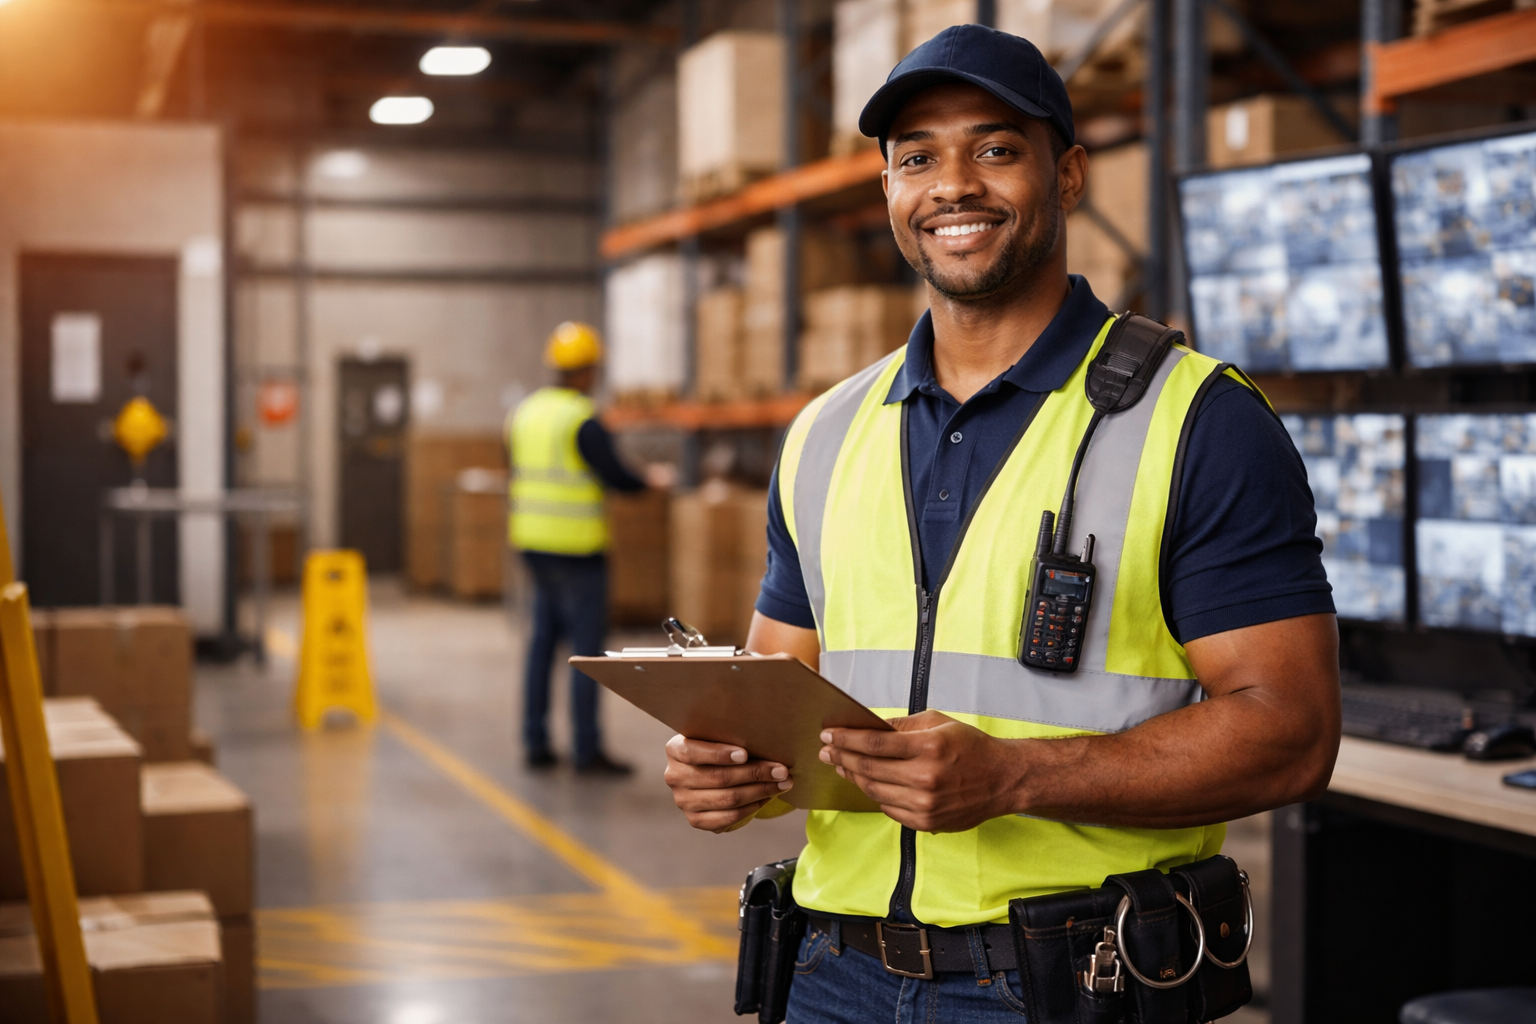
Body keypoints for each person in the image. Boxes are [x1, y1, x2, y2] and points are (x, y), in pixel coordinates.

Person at [661, 25, 1342, 1023]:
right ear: (888, 189)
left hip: (1074, 980)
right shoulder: (825, 432)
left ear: (1067, 175)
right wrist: (734, 773)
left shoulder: (1199, 423)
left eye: (995, 149)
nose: (952, 187)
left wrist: (1020, 775)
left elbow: (1293, 733)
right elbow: (785, 704)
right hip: (828, 974)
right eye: (917, 158)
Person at [508, 321, 657, 775]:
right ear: (589, 370)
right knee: (587, 653)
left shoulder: (526, 413)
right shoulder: (582, 419)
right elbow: (617, 477)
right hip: (578, 551)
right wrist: (651, 480)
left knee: (540, 644)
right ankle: (586, 750)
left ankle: (536, 742)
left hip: (533, 544)